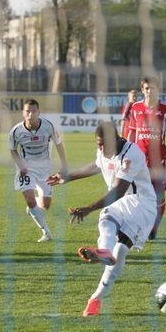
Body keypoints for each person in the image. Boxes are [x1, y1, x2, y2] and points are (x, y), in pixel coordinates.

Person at [47, 121, 157, 317]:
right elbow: (97, 165)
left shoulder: (131, 155)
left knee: (118, 243)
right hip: (122, 205)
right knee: (111, 231)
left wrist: (89, 208)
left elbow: (118, 191)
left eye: (103, 145)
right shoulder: (103, 152)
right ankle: (95, 299)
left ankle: (104, 259)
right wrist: (68, 177)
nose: (100, 149)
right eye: (97, 144)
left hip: (142, 205)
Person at [125, 76, 166, 239]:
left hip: (159, 161)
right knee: (136, 197)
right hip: (138, 162)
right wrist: (126, 154)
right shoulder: (135, 108)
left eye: (153, 88)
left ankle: (154, 229)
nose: (149, 91)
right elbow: (131, 133)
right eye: (146, 88)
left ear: (158, 89)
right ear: (142, 90)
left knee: (159, 197)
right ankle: (138, 226)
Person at [9, 99, 68, 243]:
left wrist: (64, 165)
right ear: (23, 113)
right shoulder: (16, 131)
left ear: (38, 112)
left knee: (45, 206)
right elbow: (13, 150)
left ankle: (33, 207)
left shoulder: (48, 126)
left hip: (45, 169)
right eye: (27, 111)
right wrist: (21, 165)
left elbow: (59, 144)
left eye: (33, 111)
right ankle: (46, 232)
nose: (30, 114)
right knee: (29, 200)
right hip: (26, 169)